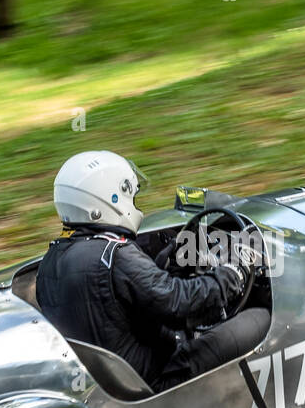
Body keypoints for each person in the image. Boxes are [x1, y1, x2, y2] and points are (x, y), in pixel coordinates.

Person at [36, 150, 271, 392]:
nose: (134, 204)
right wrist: (235, 271)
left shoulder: (50, 262)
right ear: (110, 200)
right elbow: (182, 304)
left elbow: (120, 307)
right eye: (131, 196)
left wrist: (167, 266)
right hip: (159, 381)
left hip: (110, 387)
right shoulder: (115, 256)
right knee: (261, 319)